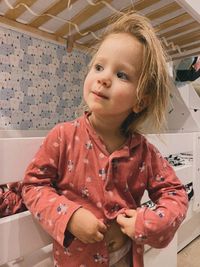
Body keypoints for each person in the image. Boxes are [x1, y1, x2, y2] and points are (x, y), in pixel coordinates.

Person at [22, 11, 188, 267]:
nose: (103, 78)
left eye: (122, 75)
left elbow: (176, 194)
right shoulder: (63, 136)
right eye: (99, 67)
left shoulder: (144, 152)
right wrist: (70, 216)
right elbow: (33, 186)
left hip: (125, 259)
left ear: (140, 101)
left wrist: (146, 223)